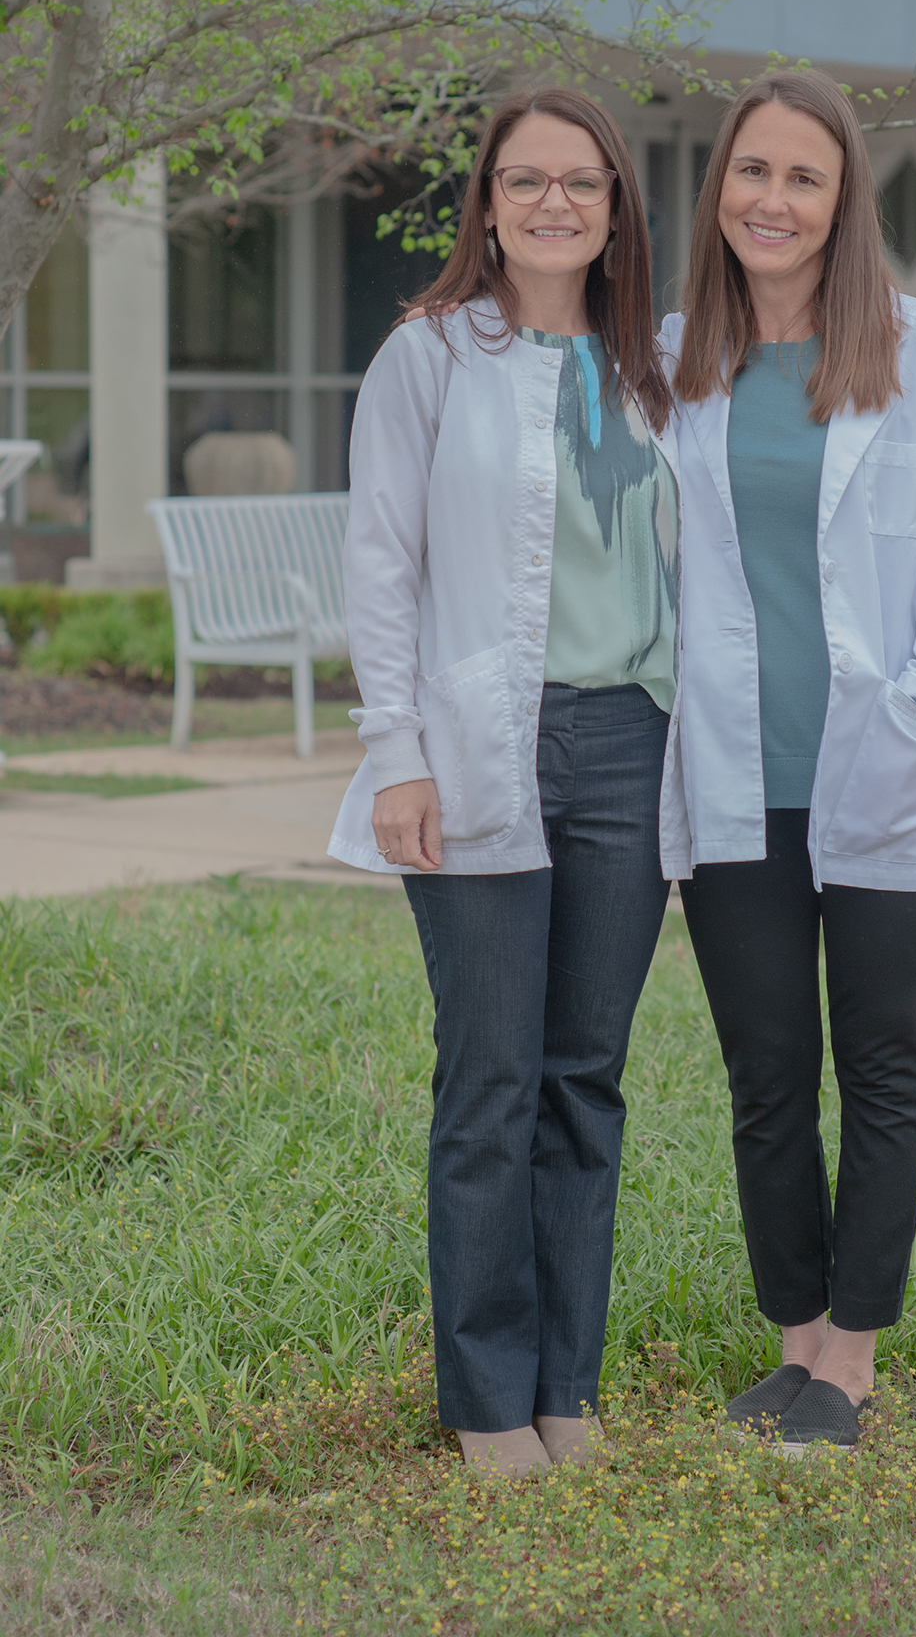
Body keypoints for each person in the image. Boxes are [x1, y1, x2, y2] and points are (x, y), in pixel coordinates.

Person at [328, 86, 678, 1479]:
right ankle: (486, 1403)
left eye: (581, 184)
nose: (553, 205)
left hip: (628, 750)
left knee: (585, 1082)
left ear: (613, 208)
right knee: (490, 1084)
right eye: (525, 181)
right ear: (485, 202)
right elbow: (380, 563)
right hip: (479, 746)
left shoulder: (656, 367)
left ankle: (565, 1390)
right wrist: (393, 753)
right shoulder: (428, 359)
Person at [658, 69, 916, 1453]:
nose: (775, 199)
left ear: (844, 198)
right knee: (762, 1068)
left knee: (879, 1063)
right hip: (735, 777)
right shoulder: (676, 355)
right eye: (753, 173)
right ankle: (793, 1339)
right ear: (720, 190)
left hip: (880, 766)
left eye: (805, 177)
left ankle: (850, 1363)